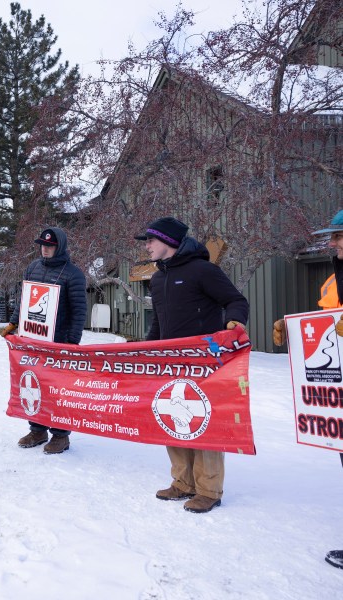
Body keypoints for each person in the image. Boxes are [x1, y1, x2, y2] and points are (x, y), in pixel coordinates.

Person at [136, 216, 249, 513]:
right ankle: (183, 483)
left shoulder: (203, 270)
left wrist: (233, 324)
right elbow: (159, 322)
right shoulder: (158, 278)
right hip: (170, 362)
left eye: (150, 240)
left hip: (204, 363)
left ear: (168, 242)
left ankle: (209, 489)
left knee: (203, 422)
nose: (146, 246)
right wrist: (146, 352)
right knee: (172, 418)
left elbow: (236, 300)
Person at [273, 209, 343, 569]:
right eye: (332, 236)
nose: (331, 243)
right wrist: (293, 327)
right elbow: (324, 321)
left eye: (339, 236)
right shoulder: (333, 278)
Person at [1, 227, 87, 454]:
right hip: (33, 340)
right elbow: (24, 300)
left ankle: (61, 435)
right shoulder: (33, 268)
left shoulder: (74, 274)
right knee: (34, 384)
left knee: (58, 389)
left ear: (60, 247)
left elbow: (79, 312)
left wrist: (72, 343)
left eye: (50, 246)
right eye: (43, 245)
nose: (45, 249)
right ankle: (37, 429)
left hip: (59, 343)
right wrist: (13, 323)